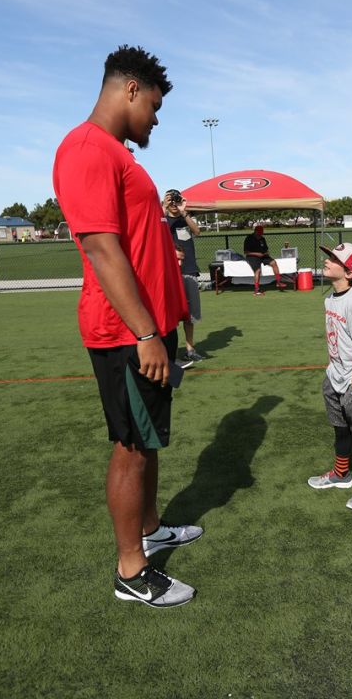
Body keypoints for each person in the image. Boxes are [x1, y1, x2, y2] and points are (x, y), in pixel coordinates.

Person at [52, 44, 199, 608]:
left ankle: (152, 528)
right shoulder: (86, 147)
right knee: (130, 447)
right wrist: (143, 333)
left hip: (145, 331)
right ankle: (131, 570)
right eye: (155, 106)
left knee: (149, 440)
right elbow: (99, 246)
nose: (156, 119)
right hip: (123, 334)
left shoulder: (114, 152)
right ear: (131, 89)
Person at [307, 242, 352, 510]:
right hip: (336, 376)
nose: (327, 260)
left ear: (349, 273)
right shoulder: (331, 297)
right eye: (328, 256)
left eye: (334, 259)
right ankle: (341, 474)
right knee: (340, 427)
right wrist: (332, 374)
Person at [164, 189, 205, 366]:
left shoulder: (185, 218)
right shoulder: (162, 220)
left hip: (189, 270)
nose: (174, 203)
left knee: (190, 314)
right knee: (170, 314)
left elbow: (197, 231)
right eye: (171, 200)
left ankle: (190, 349)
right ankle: (170, 353)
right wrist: (164, 207)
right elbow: (157, 228)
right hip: (171, 272)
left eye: (176, 199)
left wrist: (183, 211)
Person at [242, 224, 287, 295]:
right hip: (252, 257)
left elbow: (266, 249)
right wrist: (257, 254)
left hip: (263, 256)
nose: (260, 235)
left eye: (261, 234)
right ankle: (256, 290)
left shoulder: (262, 239)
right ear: (255, 232)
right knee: (258, 270)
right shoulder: (249, 238)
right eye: (259, 234)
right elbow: (246, 252)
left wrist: (266, 253)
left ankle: (278, 282)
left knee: (273, 262)